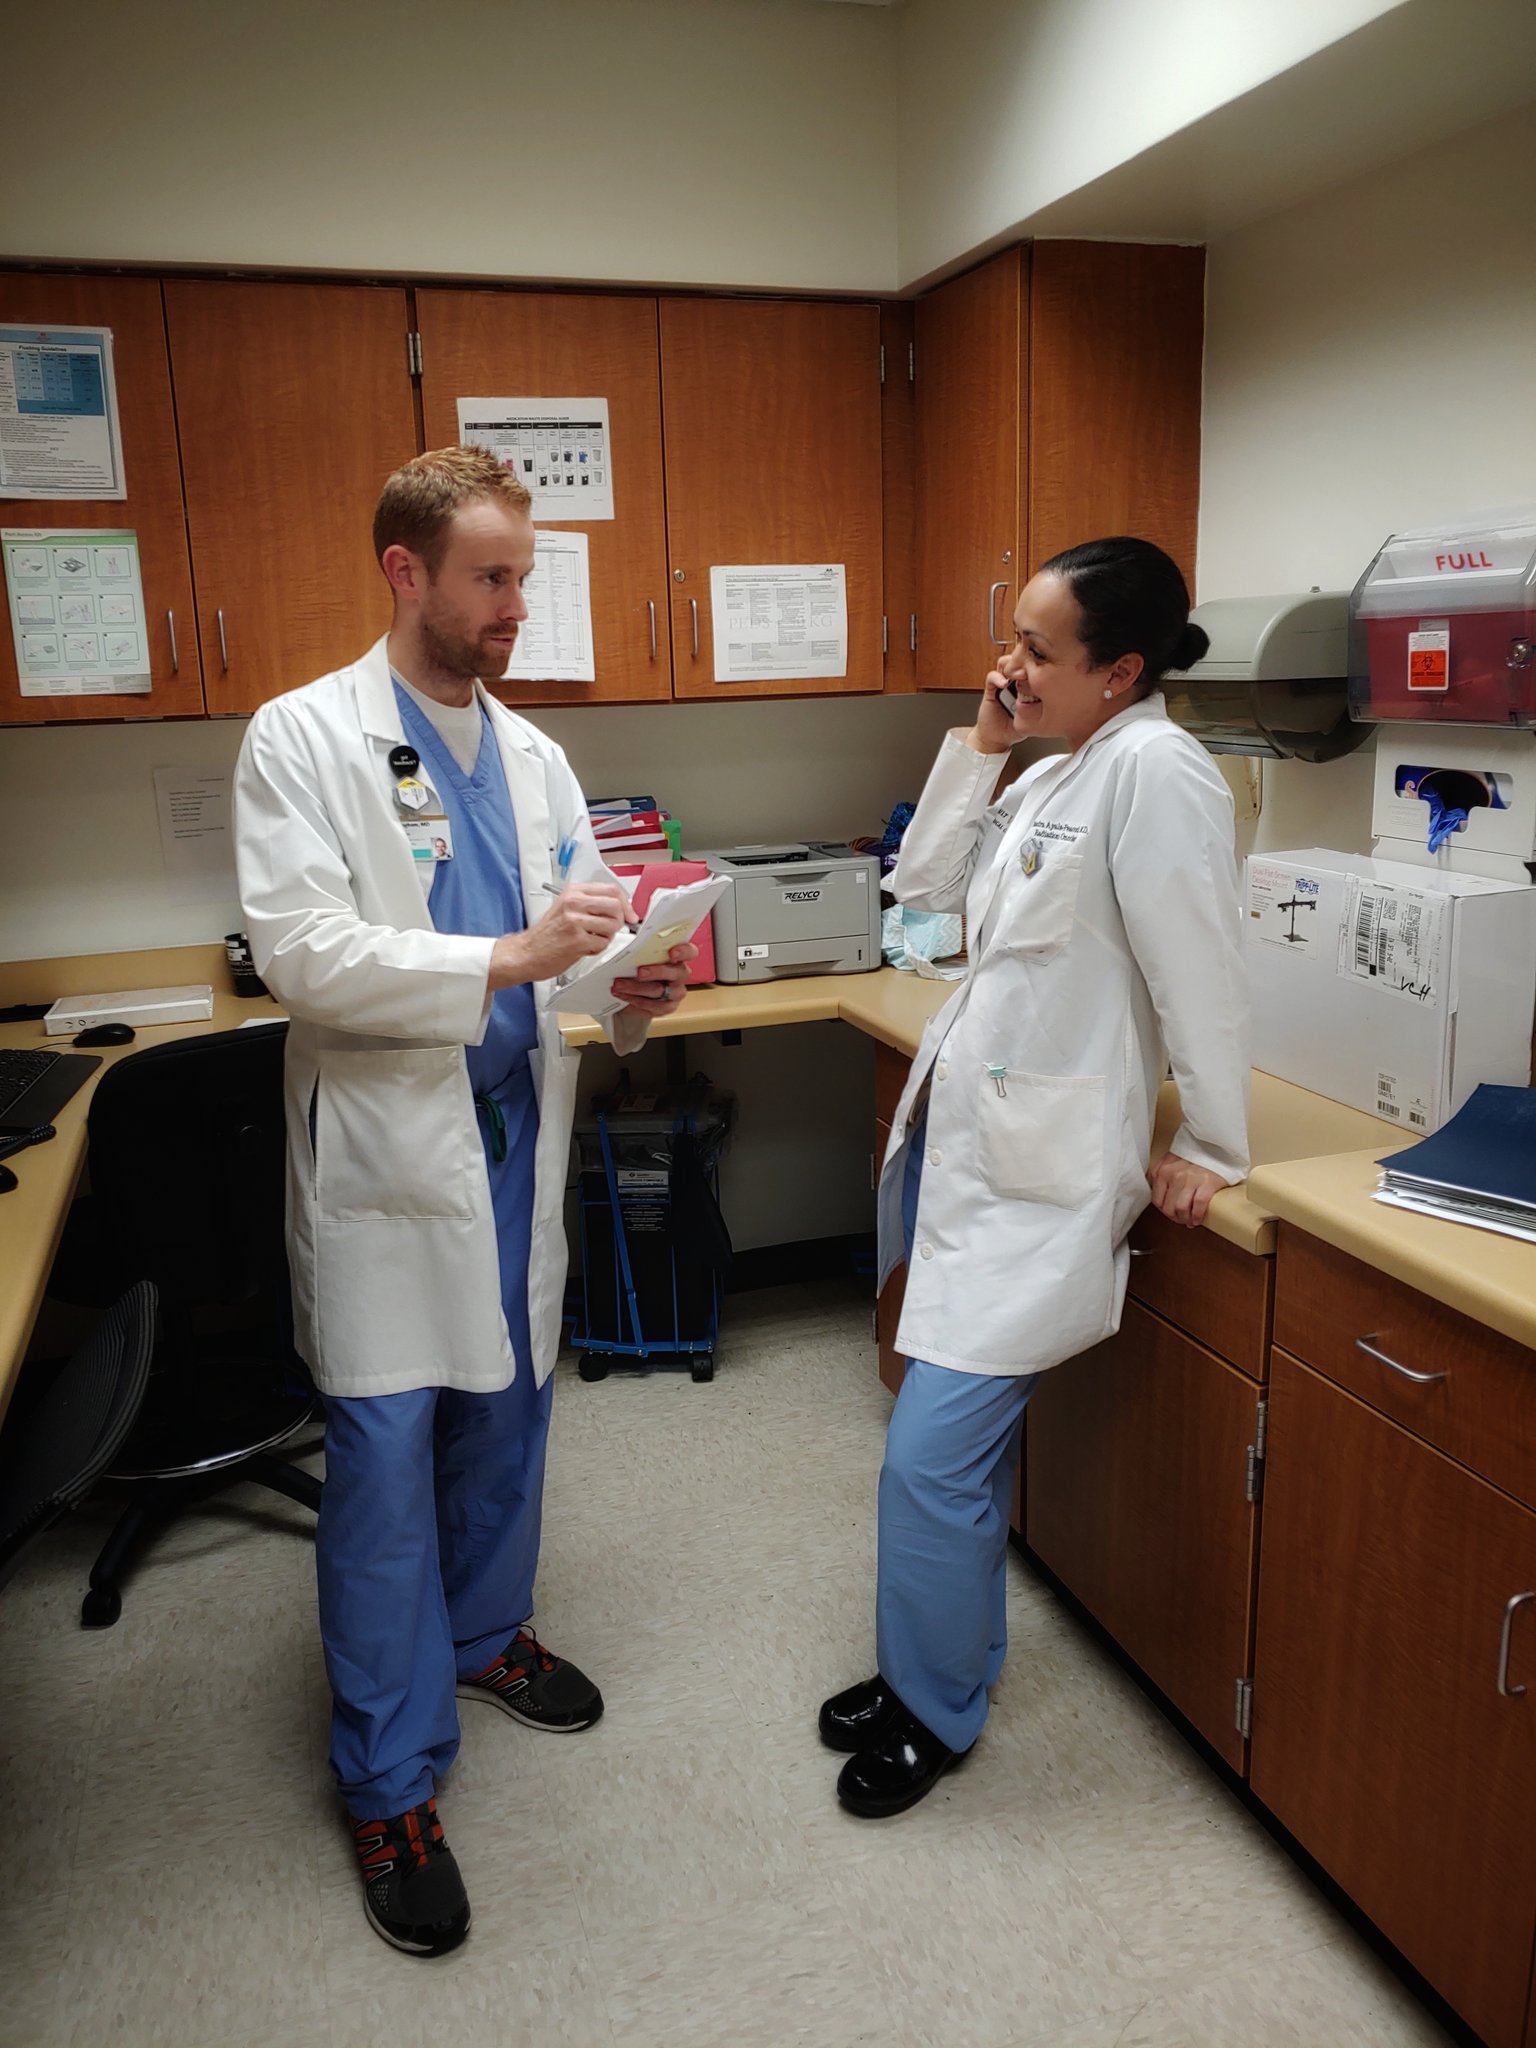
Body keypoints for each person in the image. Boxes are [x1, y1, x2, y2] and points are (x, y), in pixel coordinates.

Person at [232, 446, 692, 1956]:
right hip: (388, 1154)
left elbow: (582, 938)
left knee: (507, 1411)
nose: (516, 606)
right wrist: (508, 957)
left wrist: (634, 984)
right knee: (381, 1459)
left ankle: (489, 1635)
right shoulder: (305, 736)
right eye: (492, 578)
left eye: (522, 577)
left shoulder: (536, 755)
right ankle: (387, 1780)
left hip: (509, 1138)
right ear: (406, 572)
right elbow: (302, 951)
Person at [819, 536, 1250, 1818]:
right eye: (1013, 637)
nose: (1011, 662)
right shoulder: (1061, 769)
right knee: (938, 1454)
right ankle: (923, 1665)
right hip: (975, 1150)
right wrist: (984, 740)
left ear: (1121, 670)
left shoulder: (1159, 772)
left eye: (1038, 650)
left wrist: (1213, 1144)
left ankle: (935, 1706)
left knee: (929, 1461)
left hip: (1040, 1177)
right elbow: (922, 891)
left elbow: (1201, 972)